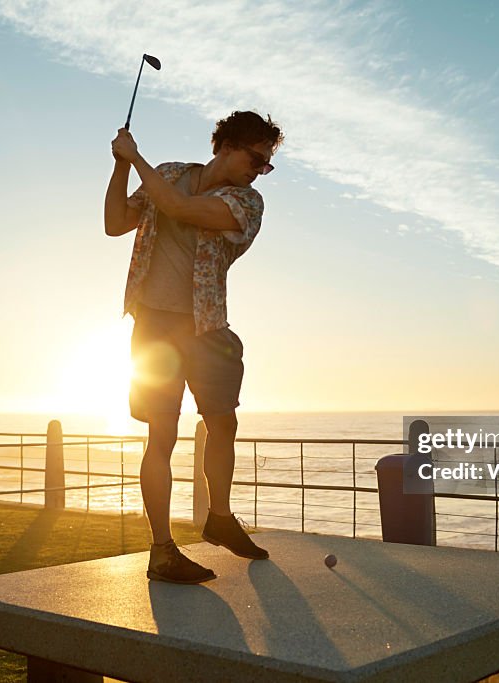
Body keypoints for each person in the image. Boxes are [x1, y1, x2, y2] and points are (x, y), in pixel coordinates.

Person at [105, 111, 284, 584]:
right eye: (256, 158)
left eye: (266, 163)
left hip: (207, 327)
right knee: (160, 436)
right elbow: (115, 221)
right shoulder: (168, 174)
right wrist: (121, 164)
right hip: (154, 328)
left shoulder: (247, 202)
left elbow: (181, 210)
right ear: (226, 146)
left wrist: (134, 156)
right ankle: (162, 551)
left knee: (223, 422)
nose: (260, 169)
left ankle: (219, 518)